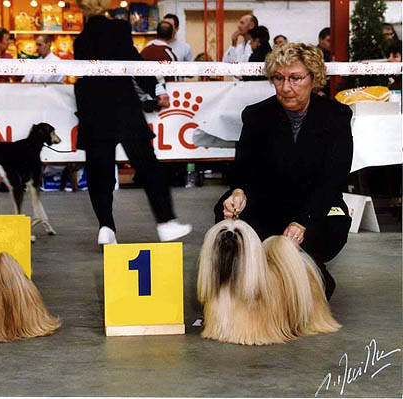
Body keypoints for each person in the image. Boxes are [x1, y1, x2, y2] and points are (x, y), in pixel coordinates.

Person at [215, 42, 353, 301]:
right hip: (270, 207)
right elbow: (243, 169)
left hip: (317, 209)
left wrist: (303, 221)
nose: (286, 87)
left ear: (314, 79)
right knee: (222, 210)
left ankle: (313, 274)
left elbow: (334, 179)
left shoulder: (337, 116)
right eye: (278, 78)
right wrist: (238, 192)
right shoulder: (256, 115)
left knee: (327, 229)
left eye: (295, 78)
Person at [74, 0, 192, 245]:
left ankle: (106, 227)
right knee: (148, 165)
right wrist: (156, 90)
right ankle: (165, 222)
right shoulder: (118, 28)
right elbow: (135, 64)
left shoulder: (80, 40)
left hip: (94, 111)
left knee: (100, 172)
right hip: (122, 106)